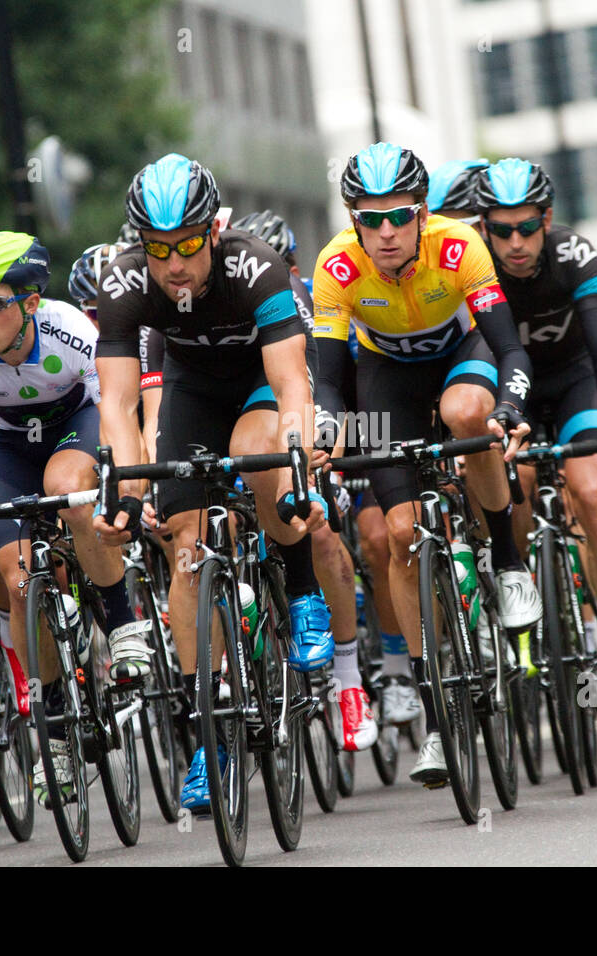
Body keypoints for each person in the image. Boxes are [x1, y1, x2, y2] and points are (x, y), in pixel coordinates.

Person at [91, 154, 331, 812]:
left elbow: (292, 385)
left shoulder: (256, 265)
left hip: (257, 380)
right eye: (159, 248)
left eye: (189, 245)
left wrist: (299, 461)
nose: (174, 264)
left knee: (258, 455)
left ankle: (303, 590)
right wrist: (126, 490)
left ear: (214, 232)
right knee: (187, 547)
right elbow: (115, 406)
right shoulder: (123, 283)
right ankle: (207, 740)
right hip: (193, 391)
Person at [311, 142, 539, 786]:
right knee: (403, 538)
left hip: (459, 355)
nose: (386, 231)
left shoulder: (461, 246)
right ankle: (436, 724)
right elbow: (329, 380)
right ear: (354, 219)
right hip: (386, 377)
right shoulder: (336, 266)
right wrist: (327, 426)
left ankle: (508, 558)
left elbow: (508, 347)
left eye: (400, 216)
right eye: (370, 218)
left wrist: (511, 406)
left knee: (469, 414)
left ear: (423, 212)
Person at [0, 231, 145, 803]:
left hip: (76, 427)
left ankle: (122, 622)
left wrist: (125, 485)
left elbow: (119, 414)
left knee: (68, 489)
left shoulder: (72, 330)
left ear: (29, 303)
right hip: (8, 448)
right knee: (20, 585)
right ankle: (53, 727)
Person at [474, 157, 597, 714]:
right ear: (484, 228)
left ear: (546, 220)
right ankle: (521, 630)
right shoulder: (473, 265)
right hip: (508, 391)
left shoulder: (574, 254)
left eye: (527, 227)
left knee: (593, 493)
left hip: (575, 382)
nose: (515, 241)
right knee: (509, 487)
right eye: (501, 229)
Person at [233, 208, 378, 752]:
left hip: (325, 415)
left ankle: (348, 682)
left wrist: (328, 444)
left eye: (287, 264)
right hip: (246, 418)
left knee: (320, 532)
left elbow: (326, 378)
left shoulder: (306, 296)